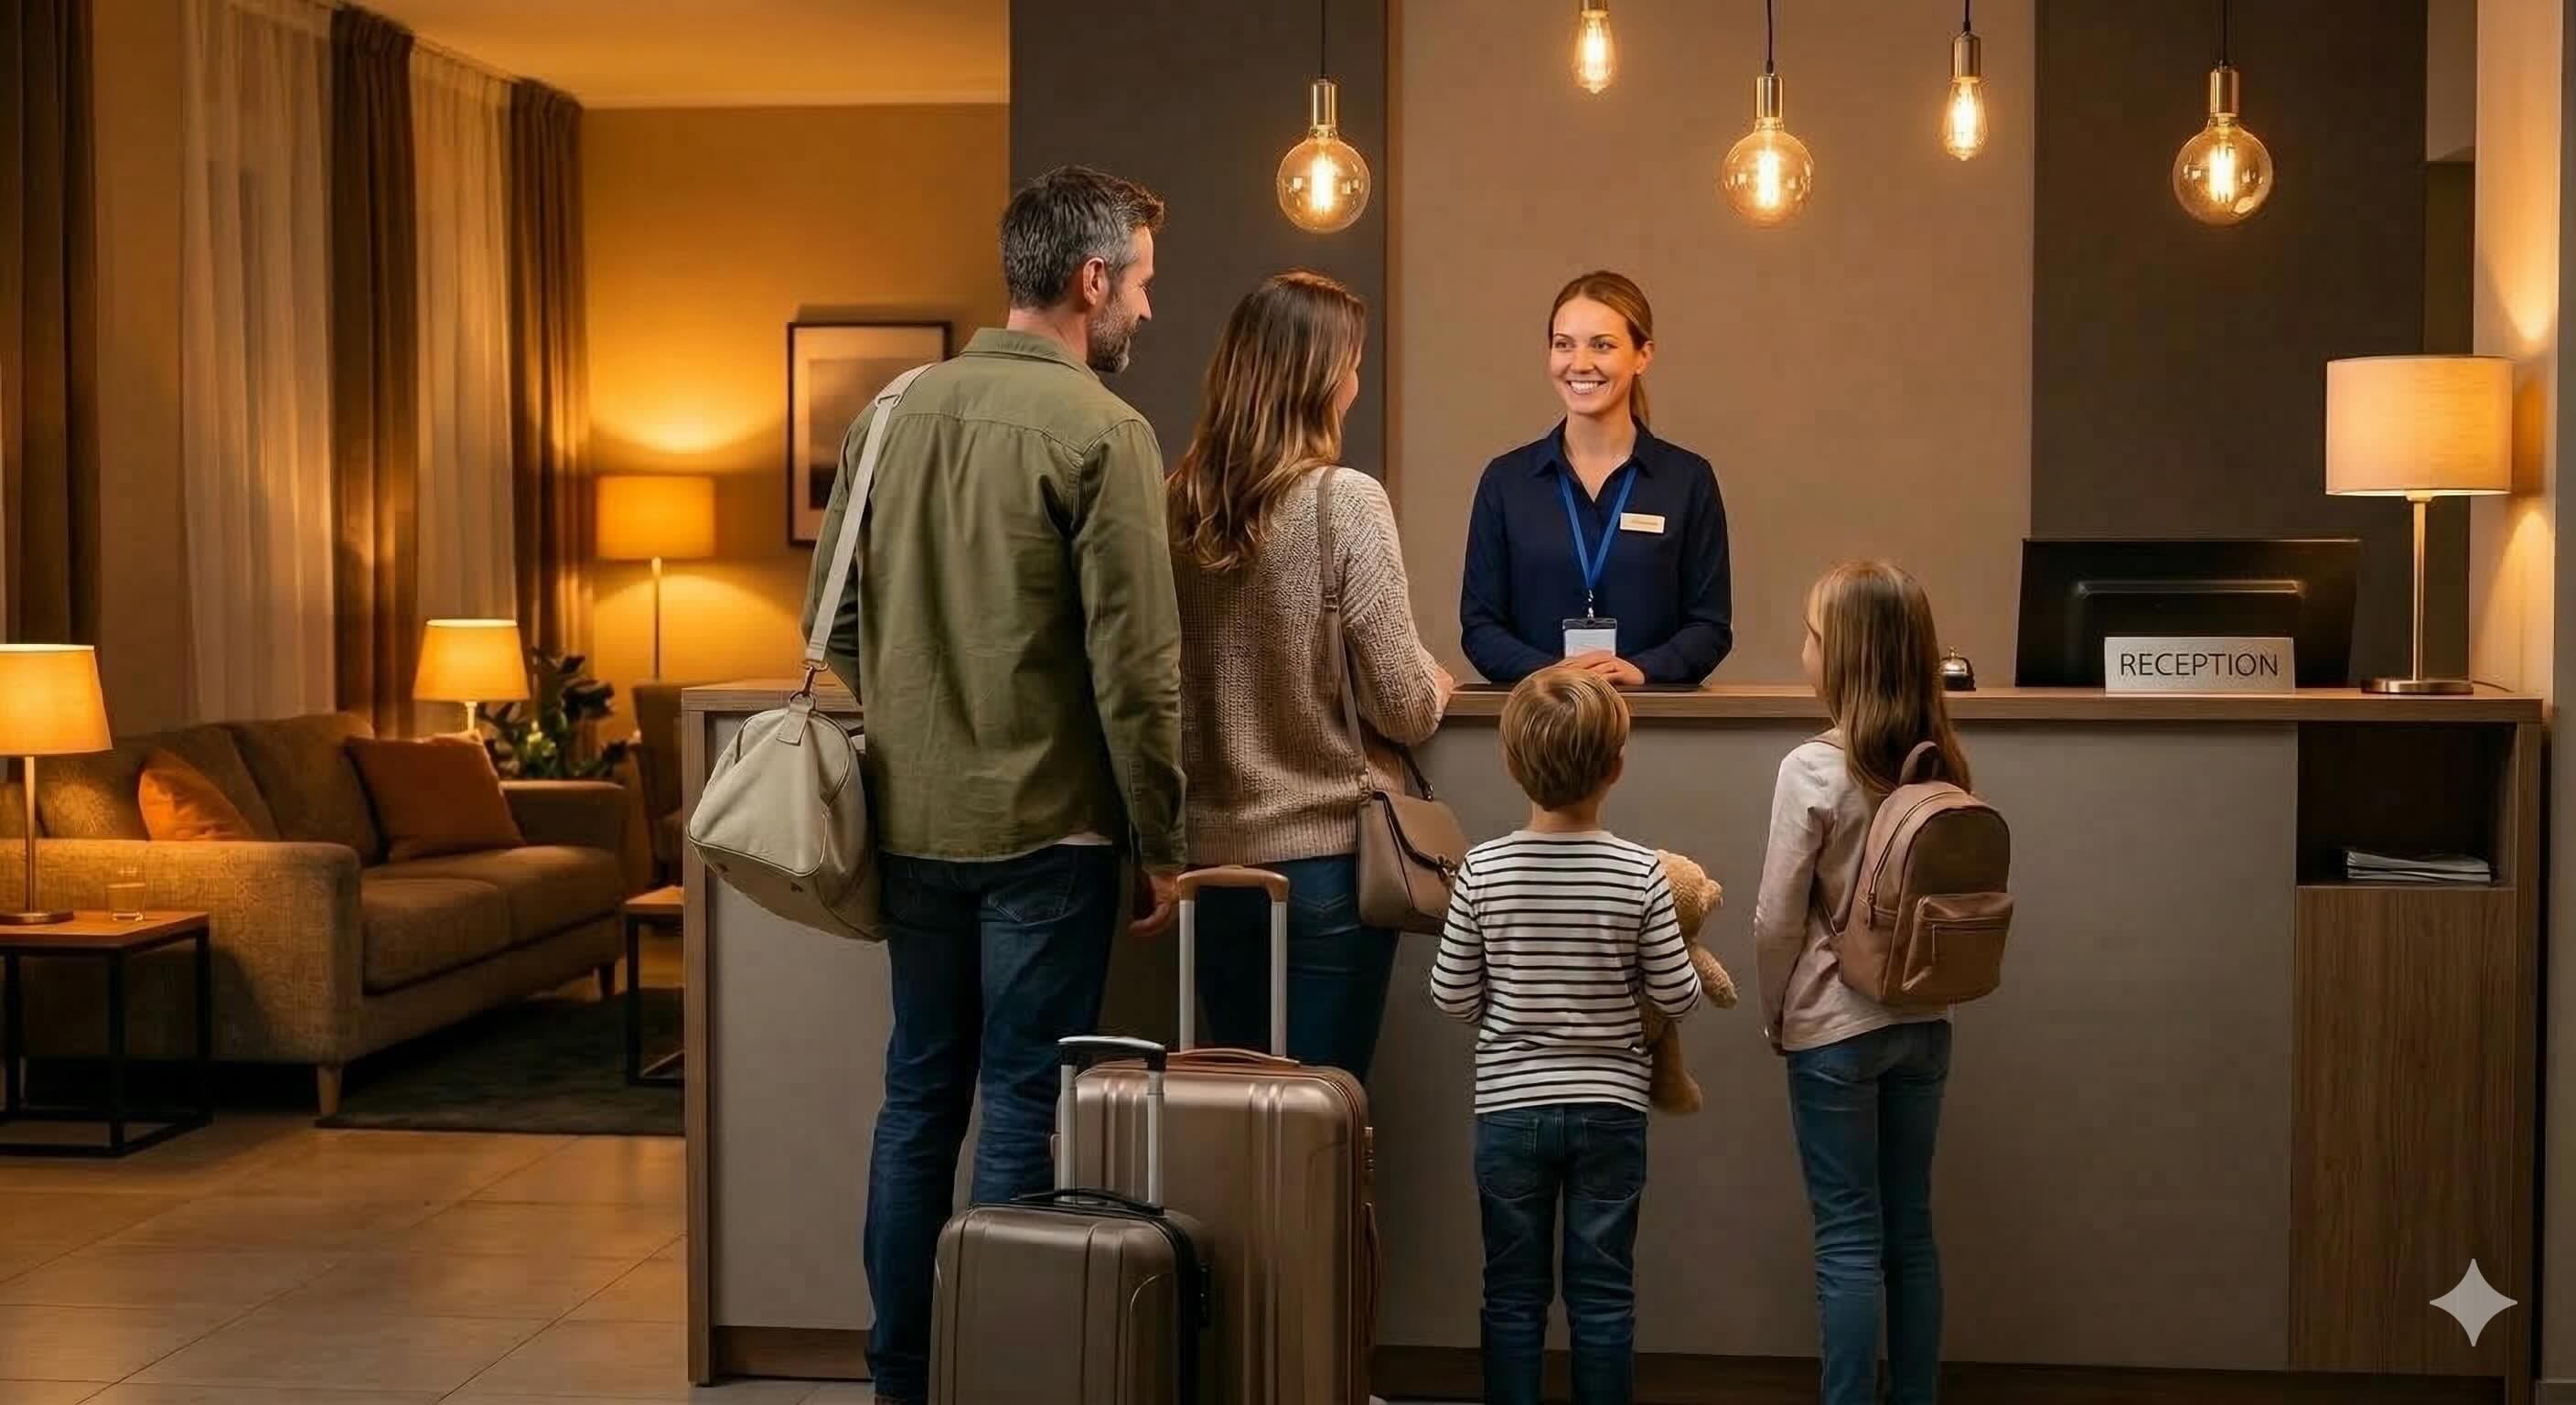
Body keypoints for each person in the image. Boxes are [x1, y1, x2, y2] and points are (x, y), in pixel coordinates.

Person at [800, 164, 1186, 1405]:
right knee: (1022, 1099)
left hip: (911, 828)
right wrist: (1161, 836)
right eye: (1140, 284)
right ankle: (998, 1379)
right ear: (1090, 281)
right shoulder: (1105, 432)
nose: (1145, 309)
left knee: (919, 1097)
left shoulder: (890, 412)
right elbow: (1138, 670)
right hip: (1050, 833)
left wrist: (921, 722)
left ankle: (901, 1381)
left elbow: (832, 623)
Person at [1167, 270, 1453, 1081]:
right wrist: (1437, 680)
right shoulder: (1347, 501)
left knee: (1234, 1122)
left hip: (1206, 867)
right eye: (1353, 363)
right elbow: (1402, 704)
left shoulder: (1170, 507)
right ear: (1323, 378)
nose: (1357, 382)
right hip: (1327, 865)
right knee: (1321, 1120)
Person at [1430, 666, 1701, 1405]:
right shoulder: (1641, 874)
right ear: (1615, 767)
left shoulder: (1481, 871)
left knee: (1513, 1297)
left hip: (1509, 1112)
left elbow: (1451, 996)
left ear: (1510, 762)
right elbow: (1681, 992)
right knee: (1604, 1296)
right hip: (1611, 1111)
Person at [1754, 560, 1970, 1405]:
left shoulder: (1812, 768)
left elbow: (1776, 919)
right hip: (1926, 1020)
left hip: (1833, 1029)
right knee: (1909, 1233)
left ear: (1842, 657)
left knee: (1846, 1238)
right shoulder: (1940, 757)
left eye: (1813, 636)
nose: (1803, 649)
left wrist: (1777, 1015)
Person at [1459, 271, 1733, 688]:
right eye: (1563, 345)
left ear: (1643, 356)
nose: (1580, 363)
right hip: (1538, 725)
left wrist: (1642, 670)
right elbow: (1480, 627)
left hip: (1659, 729)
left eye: (1602, 345)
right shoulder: (1506, 481)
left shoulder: (1688, 480)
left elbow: (1709, 626)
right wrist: (1551, 675)